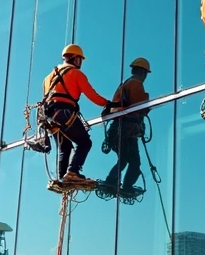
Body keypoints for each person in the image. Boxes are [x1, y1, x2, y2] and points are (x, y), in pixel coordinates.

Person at [42, 44, 109, 184]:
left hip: (48, 117)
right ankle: (72, 172)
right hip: (64, 113)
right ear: (75, 59)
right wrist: (109, 104)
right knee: (85, 142)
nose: (81, 63)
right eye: (80, 60)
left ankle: (62, 178)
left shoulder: (47, 78)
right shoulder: (76, 73)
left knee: (65, 147)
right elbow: (92, 95)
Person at [103, 58, 151, 194]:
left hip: (117, 128)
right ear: (142, 72)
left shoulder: (124, 84)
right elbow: (140, 105)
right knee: (135, 163)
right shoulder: (135, 84)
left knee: (123, 159)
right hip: (126, 130)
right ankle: (126, 186)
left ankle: (111, 182)